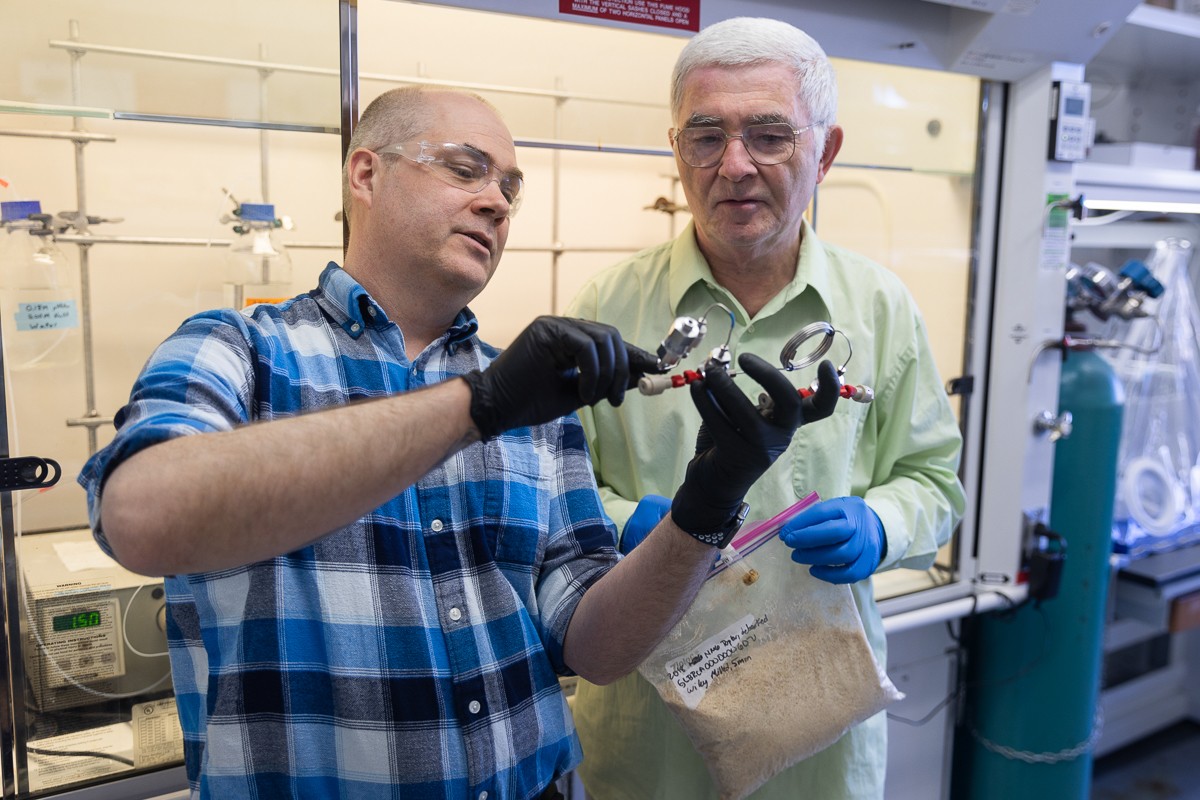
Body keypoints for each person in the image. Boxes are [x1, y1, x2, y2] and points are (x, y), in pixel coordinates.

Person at [77, 85, 836, 800]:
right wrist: (478, 405)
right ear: (366, 175)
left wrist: (706, 505)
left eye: (510, 187)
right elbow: (140, 517)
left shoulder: (532, 394)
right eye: (464, 168)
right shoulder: (239, 350)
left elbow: (596, 650)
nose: (495, 203)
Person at [566, 17, 966, 800]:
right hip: (651, 738)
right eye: (705, 136)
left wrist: (880, 524)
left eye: (770, 135)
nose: (735, 166)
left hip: (817, 733)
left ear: (827, 150)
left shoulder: (879, 307)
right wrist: (622, 529)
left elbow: (935, 482)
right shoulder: (606, 308)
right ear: (676, 149)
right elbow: (554, 496)